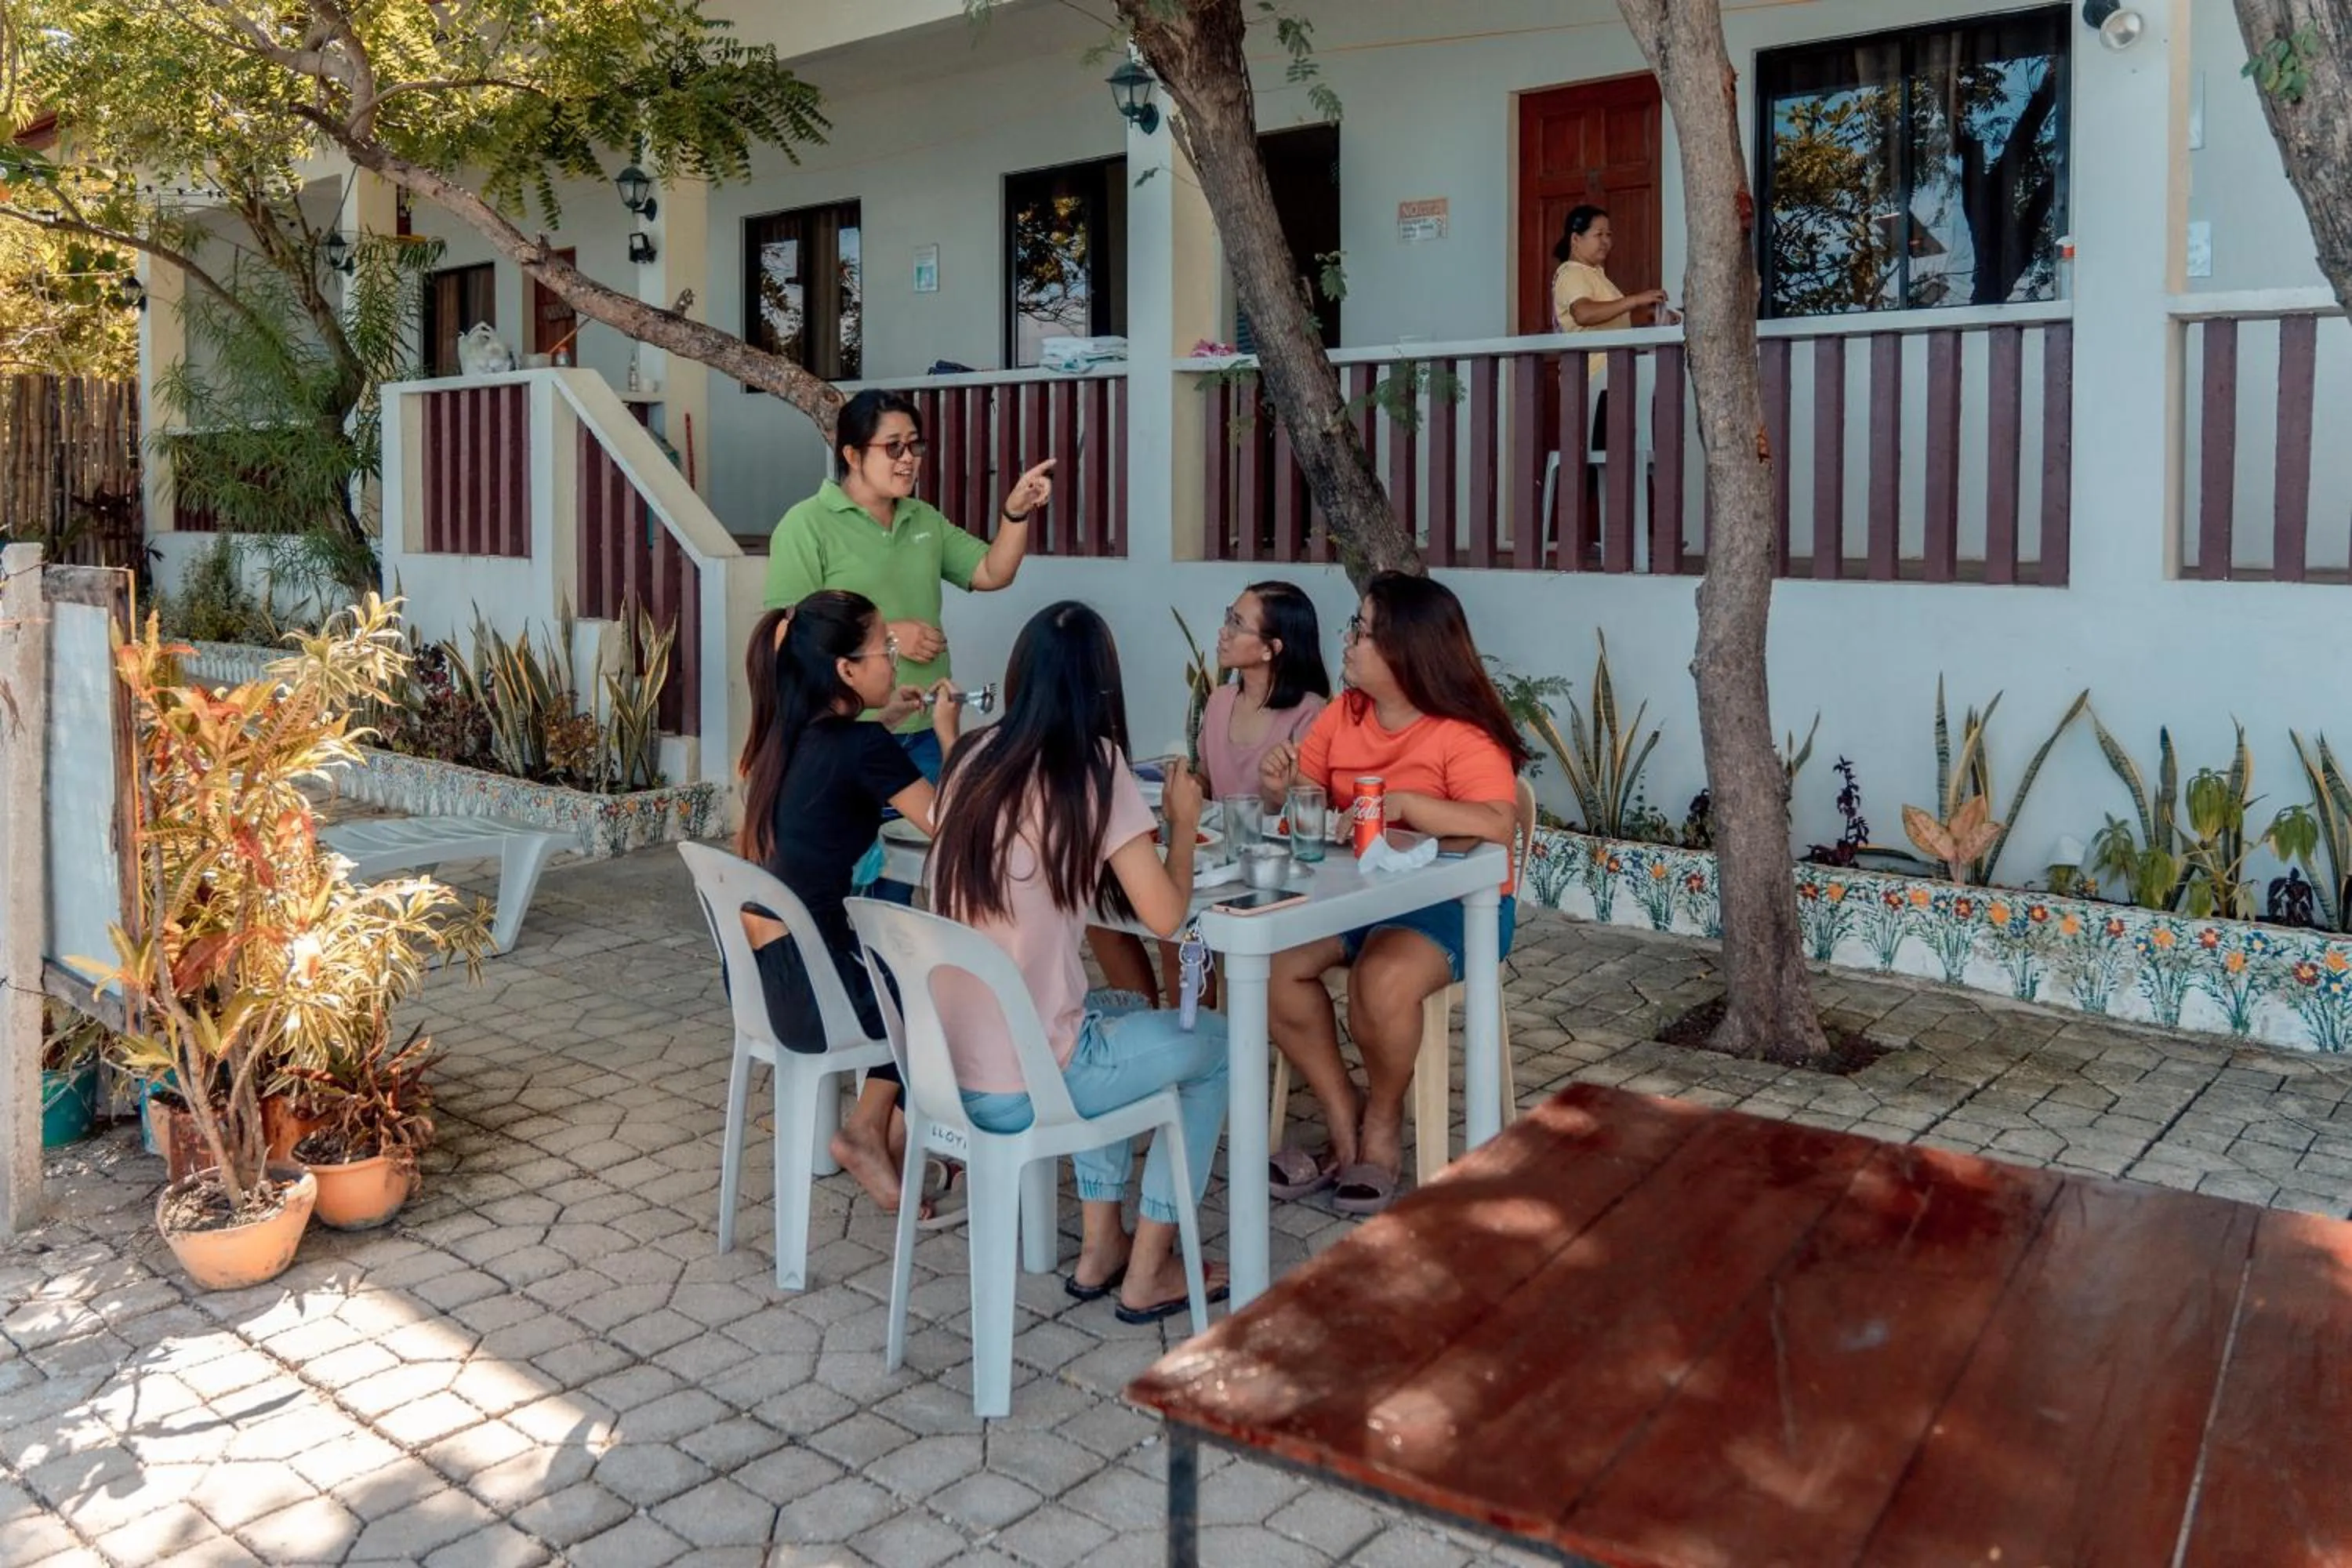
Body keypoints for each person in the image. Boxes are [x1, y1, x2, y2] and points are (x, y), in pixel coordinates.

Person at [929, 601, 1230, 1323]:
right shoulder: (1096, 767)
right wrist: (1183, 826)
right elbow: (1164, 915)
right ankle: (1152, 1268)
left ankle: (1102, 1245)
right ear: (1103, 686)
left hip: (944, 1070)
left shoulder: (971, 756)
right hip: (1029, 1081)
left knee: (1119, 1009)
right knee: (1220, 1045)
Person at [1257, 572, 1530, 1216]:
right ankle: (1343, 1114)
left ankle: (1382, 1125)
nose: (1347, 642)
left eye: (1362, 631)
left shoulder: (1460, 733)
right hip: (1358, 893)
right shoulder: (1343, 714)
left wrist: (1408, 804)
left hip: (1458, 905)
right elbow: (1309, 801)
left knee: (1378, 982)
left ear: (1404, 650)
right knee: (1271, 964)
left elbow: (1498, 823)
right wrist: (1284, 786)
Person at [735, 592, 960, 1220]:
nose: (894, 660)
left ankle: (892, 1136)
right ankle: (867, 1130)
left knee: (899, 966)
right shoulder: (860, 748)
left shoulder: (778, 735)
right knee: (933, 981)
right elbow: (951, 823)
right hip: (816, 995)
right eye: (883, 650)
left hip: (761, 985)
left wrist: (881, 722)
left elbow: (837, 769)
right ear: (845, 671)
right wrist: (948, 738)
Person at [764, 387, 1054, 786]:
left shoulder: (924, 519)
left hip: (927, 728)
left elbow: (991, 572)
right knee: (863, 847)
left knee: (937, 840)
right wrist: (889, 636)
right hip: (849, 733)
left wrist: (1015, 514)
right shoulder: (806, 525)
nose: (907, 460)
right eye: (893, 447)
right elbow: (785, 637)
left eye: (914, 447)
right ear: (852, 455)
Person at [1091, 582, 1332, 1004]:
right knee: (1110, 912)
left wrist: (1285, 787)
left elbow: (1311, 809)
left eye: (1237, 624)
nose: (1223, 631)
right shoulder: (1220, 700)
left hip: (1270, 871)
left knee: (1178, 928)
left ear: (1270, 649)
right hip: (1212, 860)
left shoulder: (1309, 712)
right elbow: (1207, 779)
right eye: (1227, 617)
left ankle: (1200, 1039)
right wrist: (1180, 783)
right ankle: (1152, 1020)